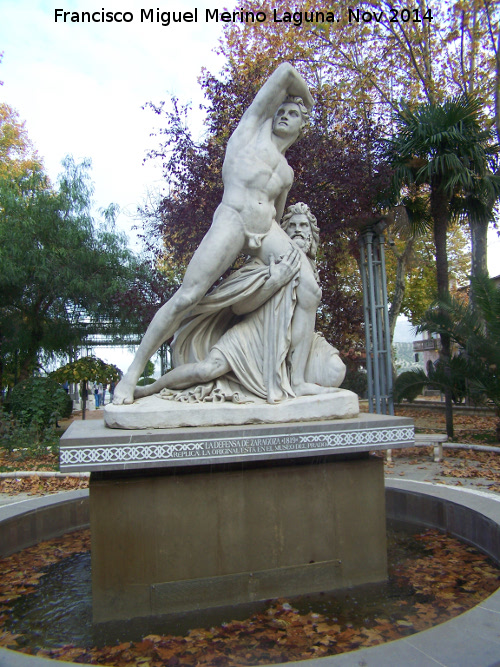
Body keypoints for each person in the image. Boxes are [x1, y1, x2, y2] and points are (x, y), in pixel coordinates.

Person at [113, 62, 315, 405]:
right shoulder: (250, 131)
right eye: (281, 108)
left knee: (309, 288)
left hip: (265, 229)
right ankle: (131, 374)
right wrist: (307, 98)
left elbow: (277, 214)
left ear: (302, 126)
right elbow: (283, 73)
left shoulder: (287, 171)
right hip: (232, 219)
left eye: (293, 112)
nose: (283, 114)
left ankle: (298, 379)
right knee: (187, 296)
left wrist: (272, 255)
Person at [134, 203, 345, 403]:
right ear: (283, 234)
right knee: (207, 369)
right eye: (293, 226)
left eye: (303, 226)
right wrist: (274, 281)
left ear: (312, 233)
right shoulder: (266, 261)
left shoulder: (311, 272)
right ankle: (150, 388)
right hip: (254, 336)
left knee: (336, 370)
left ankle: (296, 381)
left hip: (294, 341)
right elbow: (239, 307)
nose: (298, 230)